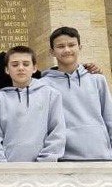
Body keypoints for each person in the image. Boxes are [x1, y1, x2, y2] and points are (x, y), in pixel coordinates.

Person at [43, 26, 112, 161]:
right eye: (61, 46)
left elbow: (109, 117)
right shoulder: (43, 85)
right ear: (52, 52)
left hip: (101, 155)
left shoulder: (97, 79)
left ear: (79, 47)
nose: (67, 50)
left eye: (71, 45)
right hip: (64, 157)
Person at [0, 46, 65, 162]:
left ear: (34, 68)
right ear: (7, 70)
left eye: (26, 64)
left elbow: (57, 131)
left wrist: (46, 161)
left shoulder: (51, 95)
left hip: (43, 168)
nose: (20, 68)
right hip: (7, 167)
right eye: (15, 65)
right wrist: (1, 163)